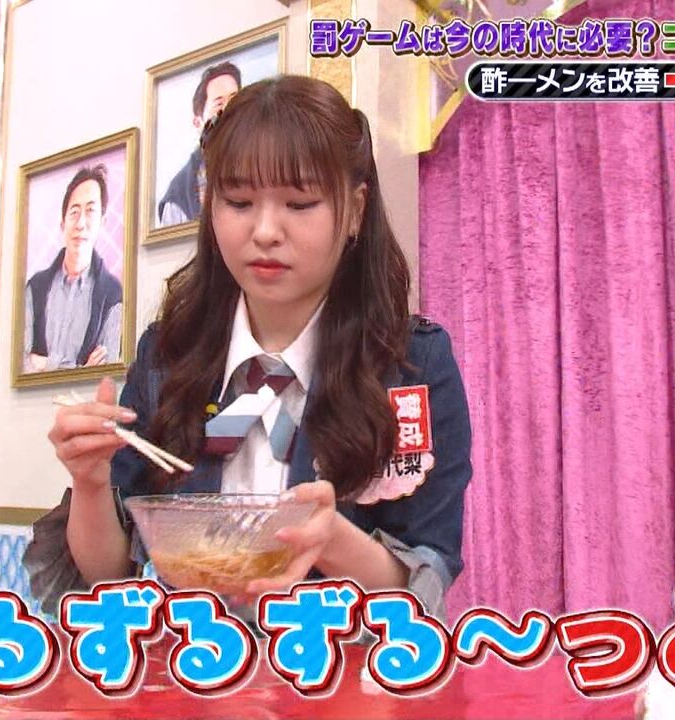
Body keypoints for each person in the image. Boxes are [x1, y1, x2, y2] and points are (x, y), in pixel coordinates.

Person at [25, 74, 472, 621]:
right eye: (238, 201)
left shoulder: (412, 367)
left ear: (355, 210)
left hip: (339, 665)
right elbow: (108, 577)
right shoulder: (169, 357)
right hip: (197, 659)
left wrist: (332, 541)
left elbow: (421, 588)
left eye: (299, 203)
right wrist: (90, 482)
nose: (264, 231)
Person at [23, 165, 123, 372]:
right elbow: (21, 363)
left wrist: (45, 363)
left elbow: (106, 368)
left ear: (102, 222)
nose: (80, 224)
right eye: (74, 212)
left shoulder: (113, 294)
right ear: (62, 223)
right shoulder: (35, 287)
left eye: (90, 211)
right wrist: (79, 368)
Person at [157, 61, 241, 226]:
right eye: (219, 104)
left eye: (235, 99)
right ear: (198, 123)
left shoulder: (267, 162)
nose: (230, 109)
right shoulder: (179, 196)